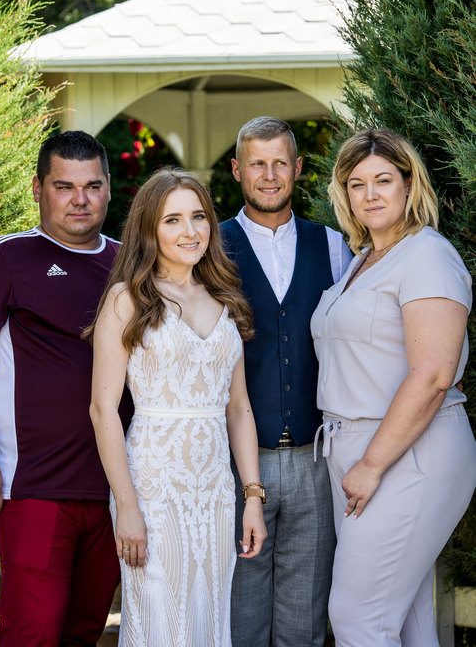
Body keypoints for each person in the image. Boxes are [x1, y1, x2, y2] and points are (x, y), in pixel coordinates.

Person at [0, 130, 133, 647]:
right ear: (37, 188)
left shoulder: (129, 264)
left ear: (108, 188)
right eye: (64, 186)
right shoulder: (3, 259)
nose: (80, 199)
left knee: (84, 632)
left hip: (116, 488)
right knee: (33, 633)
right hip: (34, 486)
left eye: (92, 186)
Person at [311, 128, 476, 647]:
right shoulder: (362, 259)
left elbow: (433, 375)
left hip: (408, 449)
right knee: (405, 620)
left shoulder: (427, 255)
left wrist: (372, 463)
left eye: (383, 180)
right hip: (354, 447)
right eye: (357, 184)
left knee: (358, 617)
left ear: (409, 184)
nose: (370, 194)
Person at [88, 168, 267, 647]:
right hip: (152, 487)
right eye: (173, 220)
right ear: (149, 229)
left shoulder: (225, 298)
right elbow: (103, 410)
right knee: (159, 619)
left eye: (198, 217)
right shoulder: (127, 299)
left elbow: (238, 409)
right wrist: (127, 506)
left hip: (214, 490)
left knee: (210, 616)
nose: (190, 231)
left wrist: (252, 497)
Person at [220, 117, 352, 647]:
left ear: (297, 169)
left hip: (315, 459)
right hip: (234, 462)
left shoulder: (335, 247)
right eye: (257, 163)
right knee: (241, 618)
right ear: (237, 170)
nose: (269, 175)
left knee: (305, 620)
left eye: (280, 163)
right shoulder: (210, 246)